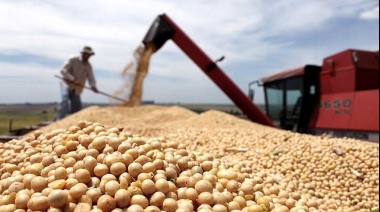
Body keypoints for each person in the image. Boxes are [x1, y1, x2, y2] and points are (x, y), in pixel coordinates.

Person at [57, 46, 99, 120]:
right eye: (86, 54)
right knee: (65, 100)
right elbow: (63, 71)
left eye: (89, 55)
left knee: (76, 107)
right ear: (83, 53)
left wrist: (93, 86)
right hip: (66, 83)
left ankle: (74, 123)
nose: (88, 56)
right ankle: (59, 120)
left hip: (78, 88)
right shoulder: (73, 59)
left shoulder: (88, 66)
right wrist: (73, 79)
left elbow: (91, 78)